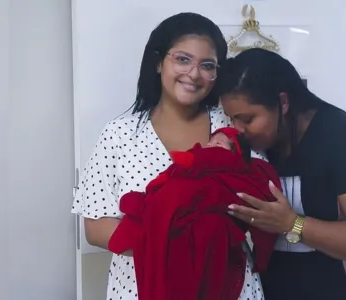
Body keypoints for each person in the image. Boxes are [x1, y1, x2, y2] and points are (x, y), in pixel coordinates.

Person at [71, 13, 266, 300]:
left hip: (227, 286)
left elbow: (262, 199)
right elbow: (96, 227)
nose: (194, 73)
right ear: (159, 62)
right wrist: (179, 245)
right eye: (183, 59)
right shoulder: (119, 134)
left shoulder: (231, 125)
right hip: (140, 288)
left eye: (207, 65)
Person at [217, 48, 346, 300]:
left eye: (247, 118)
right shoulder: (251, 145)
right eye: (232, 119)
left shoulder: (342, 137)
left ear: (283, 102)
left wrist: (292, 224)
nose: (238, 129)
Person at [107, 127, 280, 300]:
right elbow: (166, 181)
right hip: (165, 232)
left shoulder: (238, 165)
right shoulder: (118, 133)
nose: (211, 146)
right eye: (209, 143)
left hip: (208, 247)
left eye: (219, 143)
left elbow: (252, 197)